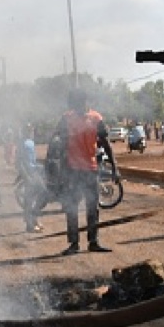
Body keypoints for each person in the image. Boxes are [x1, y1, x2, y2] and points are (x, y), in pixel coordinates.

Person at [56, 88, 116, 254]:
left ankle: (93, 241)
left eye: (75, 103)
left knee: (92, 207)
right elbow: (60, 145)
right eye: (72, 104)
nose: (73, 107)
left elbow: (106, 143)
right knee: (72, 207)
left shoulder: (96, 118)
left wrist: (115, 168)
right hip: (72, 170)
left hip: (91, 169)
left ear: (84, 101)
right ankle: (74, 243)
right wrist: (61, 171)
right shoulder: (66, 118)